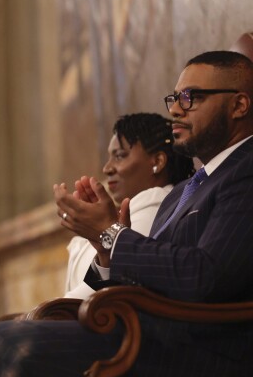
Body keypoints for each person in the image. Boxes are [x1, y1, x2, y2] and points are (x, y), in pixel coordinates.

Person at [0, 50, 253, 377]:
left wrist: (112, 234)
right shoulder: (187, 189)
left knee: (2, 348)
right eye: (174, 97)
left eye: (192, 96)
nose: (177, 108)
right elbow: (147, 283)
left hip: (207, 358)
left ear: (240, 104)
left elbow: (206, 276)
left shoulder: (246, 173)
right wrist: (104, 247)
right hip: (156, 341)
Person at [64, 113, 194, 299]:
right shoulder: (135, 207)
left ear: (157, 162)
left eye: (120, 156)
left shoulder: (156, 208)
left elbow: (110, 286)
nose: (107, 168)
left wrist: (44, 314)